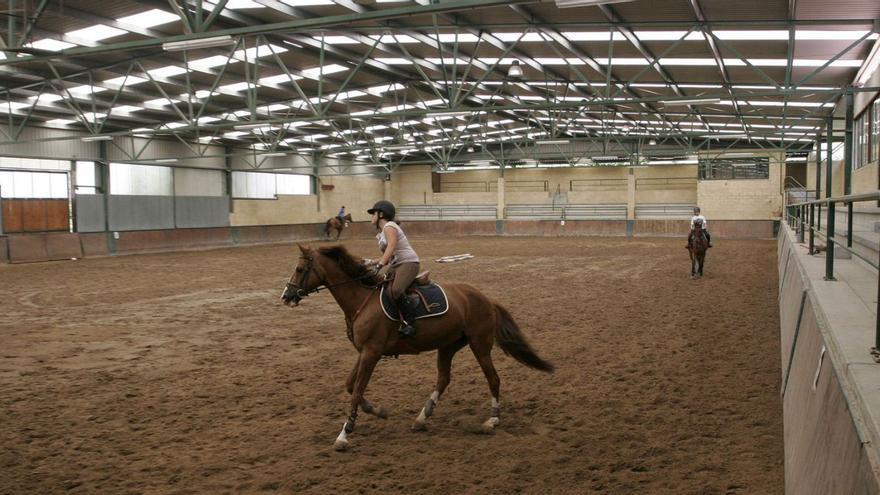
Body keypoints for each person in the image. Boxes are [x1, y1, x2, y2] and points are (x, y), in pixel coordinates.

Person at [368, 200, 420, 338]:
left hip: (408, 262)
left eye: (373, 213)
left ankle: (411, 323)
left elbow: (391, 247)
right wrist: (370, 262)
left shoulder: (389, 226)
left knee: (396, 290)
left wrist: (380, 265)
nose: (371, 217)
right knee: (382, 289)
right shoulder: (381, 234)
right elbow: (386, 255)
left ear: (381, 214)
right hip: (396, 265)